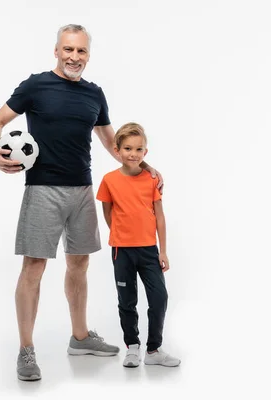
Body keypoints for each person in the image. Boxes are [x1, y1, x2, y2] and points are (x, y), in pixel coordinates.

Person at [0, 24, 164, 381]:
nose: (74, 57)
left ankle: (80, 338)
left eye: (81, 51)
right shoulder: (35, 85)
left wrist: (144, 166)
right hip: (42, 190)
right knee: (33, 268)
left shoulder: (94, 94)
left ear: (88, 56)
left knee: (78, 265)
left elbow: (113, 144)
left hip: (82, 191)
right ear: (56, 51)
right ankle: (26, 350)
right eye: (68, 49)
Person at [96, 122, 180, 368]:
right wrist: (121, 235)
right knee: (127, 300)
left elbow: (160, 216)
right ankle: (132, 346)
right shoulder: (109, 180)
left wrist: (162, 249)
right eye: (128, 148)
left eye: (139, 149)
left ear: (146, 152)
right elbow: (108, 213)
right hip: (122, 251)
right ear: (117, 150)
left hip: (148, 250)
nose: (133, 154)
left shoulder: (151, 180)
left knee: (159, 297)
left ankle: (154, 350)